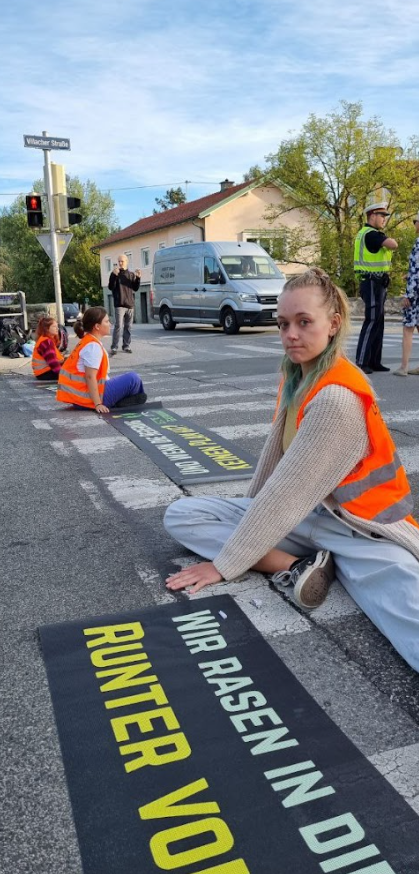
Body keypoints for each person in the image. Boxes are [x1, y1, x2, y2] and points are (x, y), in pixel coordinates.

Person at [164, 267, 419, 673]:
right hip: (307, 518)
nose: (291, 335)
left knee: (407, 615)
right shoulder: (297, 375)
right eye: (283, 324)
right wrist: (249, 512)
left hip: (359, 527)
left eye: (304, 322)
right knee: (182, 514)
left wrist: (225, 564)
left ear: (333, 324)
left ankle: (325, 561)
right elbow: (274, 464)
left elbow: (286, 493)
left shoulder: (336, 397)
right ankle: (298, 566)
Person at [56, 306, 147, 413]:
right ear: (97, 326)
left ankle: (126, 400)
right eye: (107, 321)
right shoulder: (92, 346)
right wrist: (98, 403)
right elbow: (90, 376)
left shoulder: (88, 341)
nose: (110, 324)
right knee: (134, 379)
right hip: (87, 398)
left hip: (81, 397)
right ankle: (121, 402)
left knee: (129, 380)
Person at [354, 200, 398, 374]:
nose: (384, 219)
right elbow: (393, 244)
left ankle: (374, 361)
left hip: (377, 283)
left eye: (385, 216)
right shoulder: (371, 234)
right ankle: (362, 361)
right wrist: (390, 239)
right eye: (382, 215)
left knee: (378, 322)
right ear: (372, 215)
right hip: (371, 282)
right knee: (372, 321)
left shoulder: (369, 233)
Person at [394, 211, 419, 376]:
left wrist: (408, 295)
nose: (414, 224)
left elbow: (417, 272)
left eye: (415, 221)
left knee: (407, 329)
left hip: (415, 294)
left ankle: (403, 367)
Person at [108, 254, 141, 356]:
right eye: (119, 261)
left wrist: (138, 278)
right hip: (119, 304)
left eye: (122, 261)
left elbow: (135, 288)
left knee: (128, 326)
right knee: (118, 326)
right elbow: (110, 287)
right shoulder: (115, 274)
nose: (120, 263)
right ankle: (114, 347)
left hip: (130, 305)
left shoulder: (131, 275)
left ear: (127, 261)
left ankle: (126, 346)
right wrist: (114, 275)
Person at [31, 316, 64, 381]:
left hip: (44, 372)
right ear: (46, 328)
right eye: (54, 326)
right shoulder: (46, 342)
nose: (57, 328)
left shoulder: (45, 340)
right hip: (45, 373)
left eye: (57, 326)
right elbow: (53, 363)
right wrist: (64, 375)